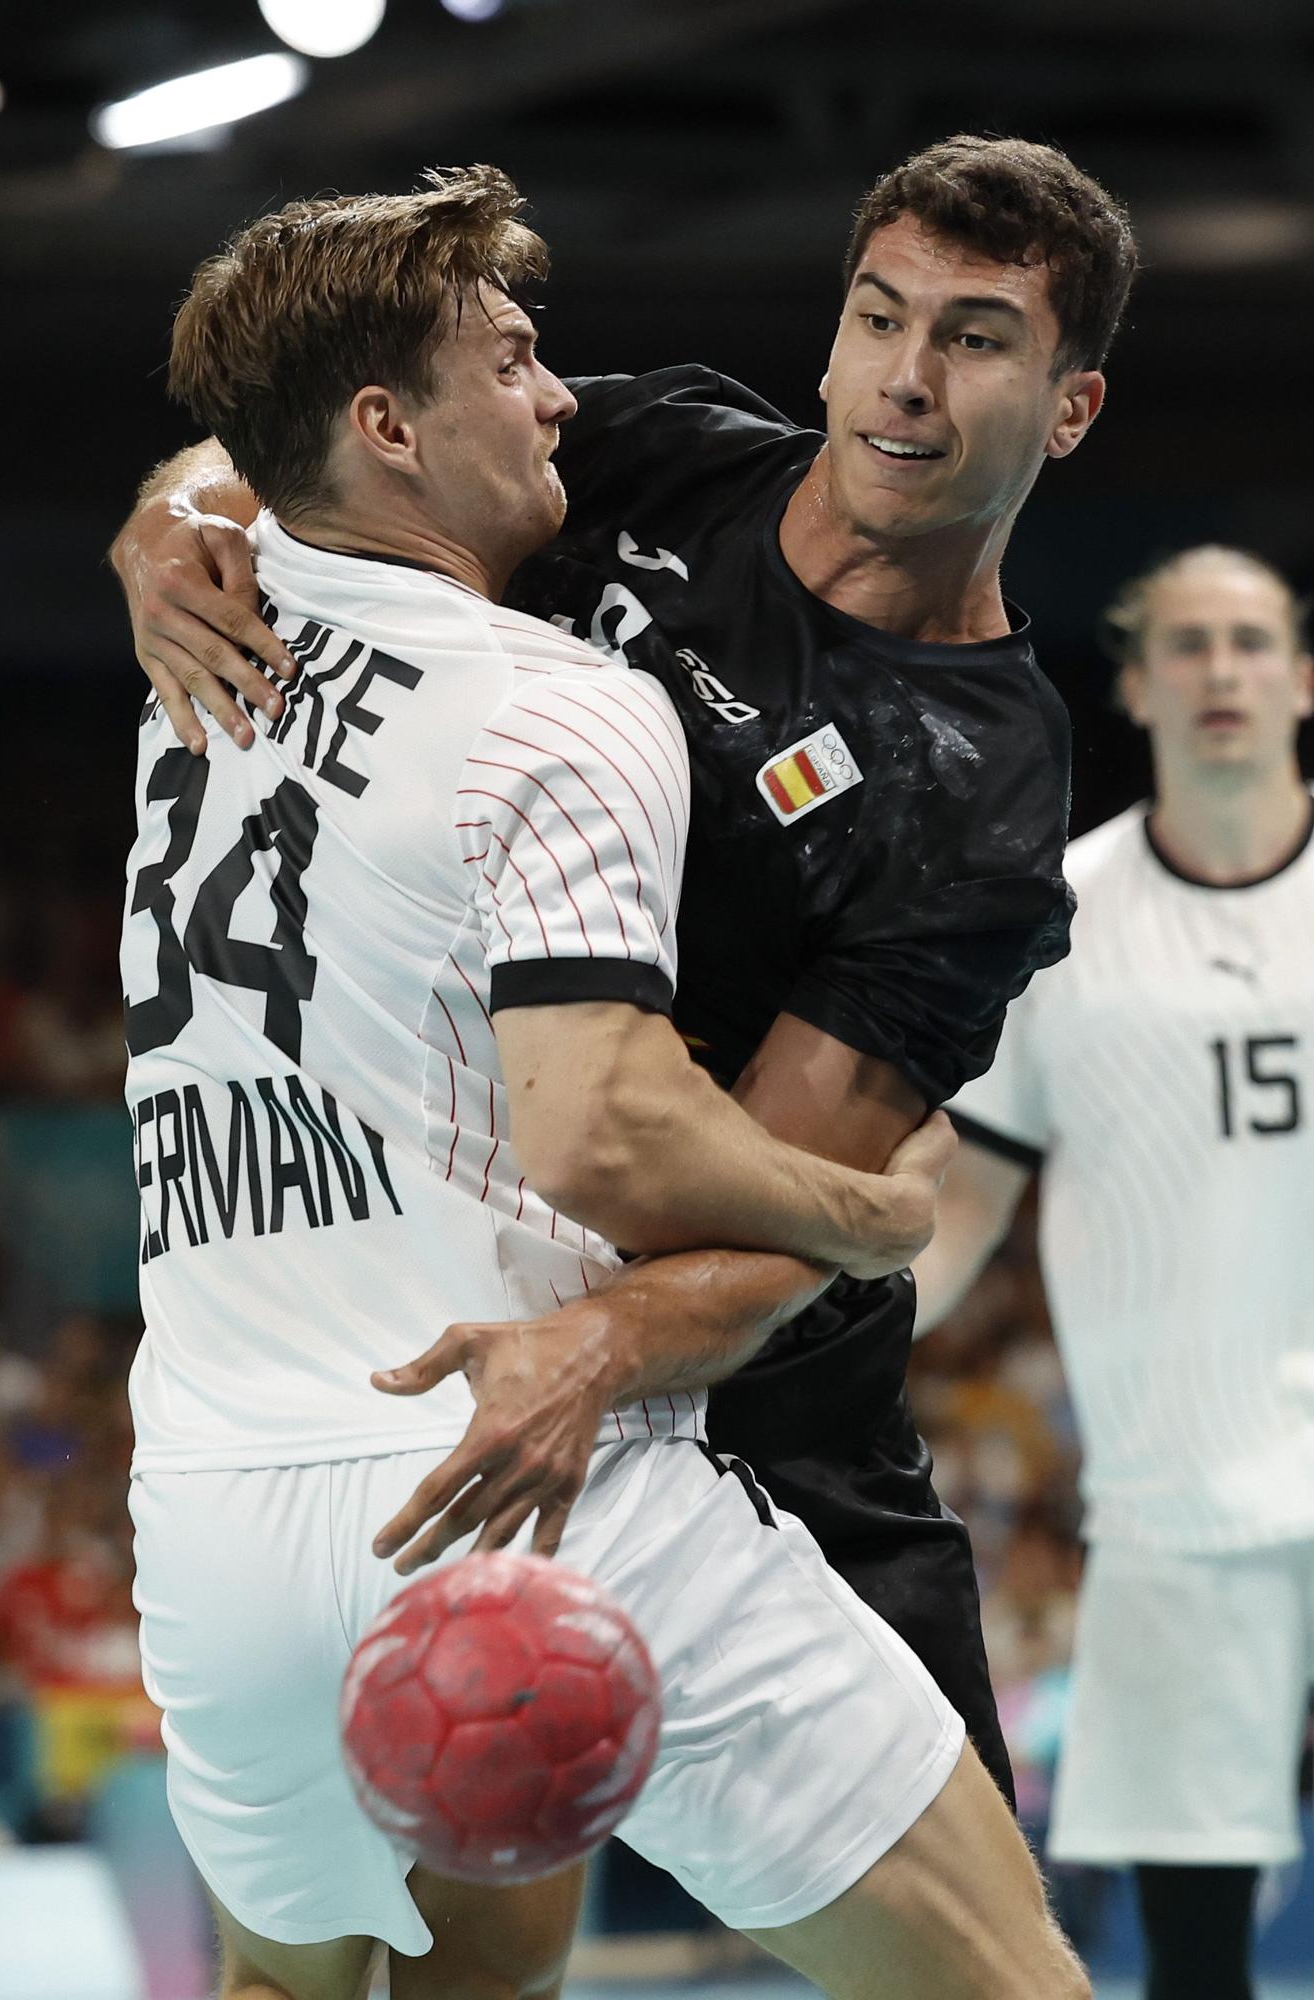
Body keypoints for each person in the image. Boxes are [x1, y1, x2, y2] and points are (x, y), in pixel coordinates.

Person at [123, 168, 1088, 2000]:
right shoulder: (621, 528)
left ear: (1068, 403)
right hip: (500, 1401)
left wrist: (618, 1338)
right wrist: (168, 523)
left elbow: (723, 1227)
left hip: (669, 1403)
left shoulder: (979, 791)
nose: (902, 378)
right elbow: (635, 1143)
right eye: (877, 316)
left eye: (973, 342)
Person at [912, 545, 1314, 2000]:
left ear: (1299, 679)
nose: (1221, 671)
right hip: (1178, 1506)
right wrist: (812, 1341)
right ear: (1135, 685)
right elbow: (961, 1212)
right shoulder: (1057, 921)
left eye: (1249, 643)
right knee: (1193, 1961)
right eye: (1188, 647)